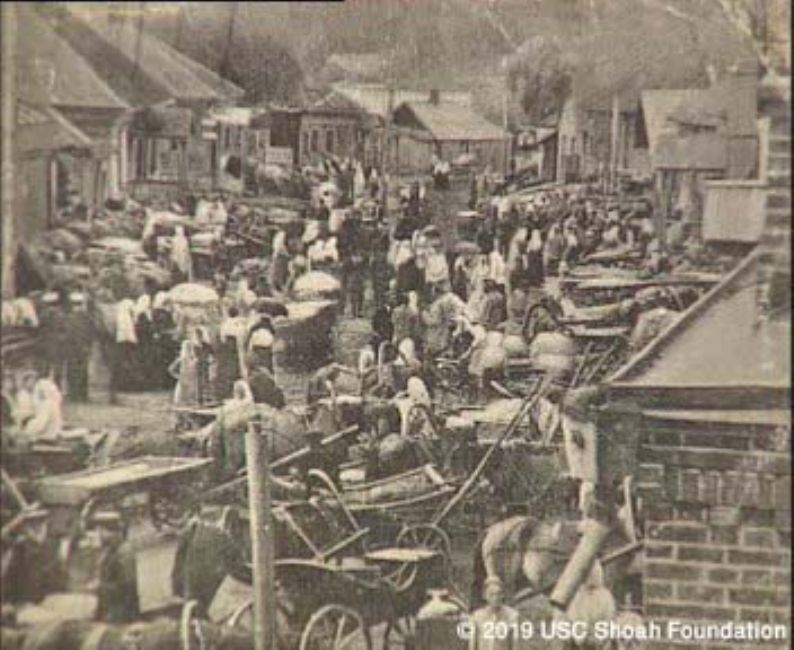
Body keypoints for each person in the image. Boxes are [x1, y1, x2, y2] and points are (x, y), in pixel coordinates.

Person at [92, 512, 139, 623]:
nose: (98, 534)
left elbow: (127, 587)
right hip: (110, 611)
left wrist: (99, 587)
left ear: (110, 531)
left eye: (100, 531)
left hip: (120, 615)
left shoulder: (124, 552)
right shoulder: (110, 549)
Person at [468, 577, 519, 650]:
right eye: (491, 594)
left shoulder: (512, 615)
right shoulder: (477, 617)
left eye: (499, 594)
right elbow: (472, 645)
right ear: (484, 596)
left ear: (503, 595)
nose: (496, 598)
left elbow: (515, 645)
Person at [170, 338, 200, 410]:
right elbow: (171, 369)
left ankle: (189, 412)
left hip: (191, 381)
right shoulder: (181, 359)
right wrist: (178, 376)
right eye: (188, 347)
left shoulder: (194, 359)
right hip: (184, 381)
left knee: (191, 399)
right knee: (182, 399)